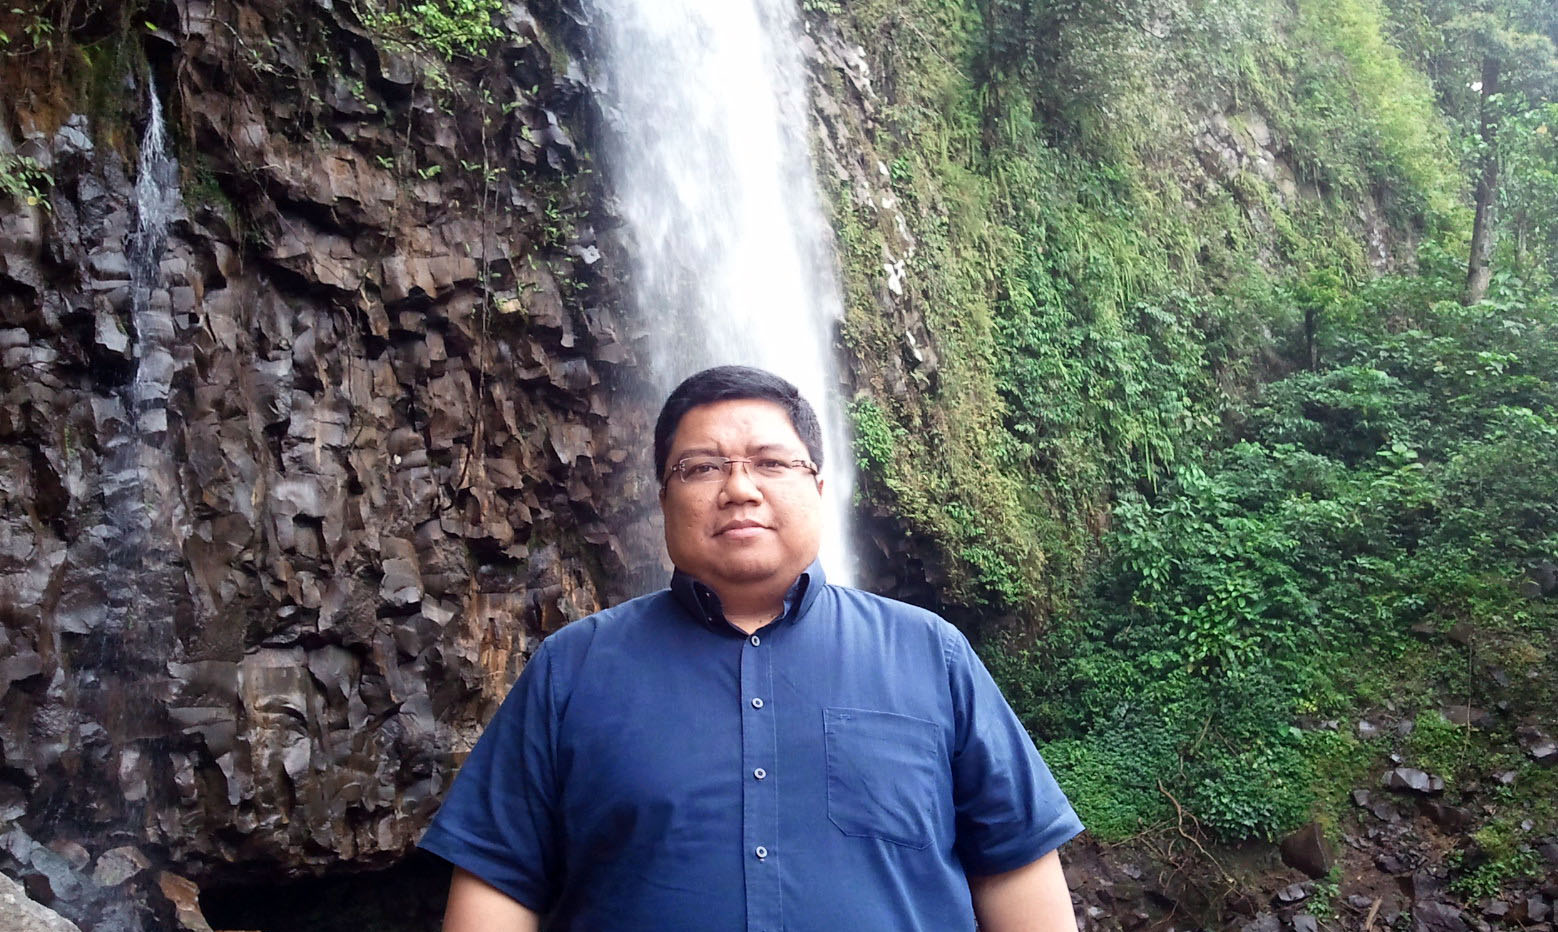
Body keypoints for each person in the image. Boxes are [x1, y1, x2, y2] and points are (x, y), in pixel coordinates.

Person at [419, 365, 1084, 931]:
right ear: (663, 500)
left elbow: (1015, 871)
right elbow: (497, 887)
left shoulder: (932, 655)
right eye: (702, 467)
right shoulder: (571, 670)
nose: (740, 488)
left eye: (771, 463)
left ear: (819, 489)